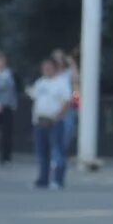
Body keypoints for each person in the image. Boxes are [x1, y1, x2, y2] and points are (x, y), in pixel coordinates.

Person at [26, 58, 71, 189]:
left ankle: (58, 180)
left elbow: (67, 101)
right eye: (44, 68)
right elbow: (34, 96)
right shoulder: (40, 82)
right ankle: (43, 179)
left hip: (54, 121)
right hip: (40, 121)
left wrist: (58, 116)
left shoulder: (61, 82)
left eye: (49, 67)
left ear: (55, 68)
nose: (46, 70)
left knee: (57, 151)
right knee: (41, 152)